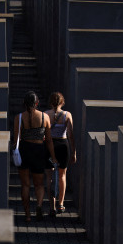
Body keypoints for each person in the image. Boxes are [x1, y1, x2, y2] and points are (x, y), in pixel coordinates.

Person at [13, 91, 57, 222]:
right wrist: (53, 157)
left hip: (25, 150)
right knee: (39, 184)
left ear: (24, 103)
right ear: (37, 103)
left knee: (25, 185)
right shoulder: (45, 117)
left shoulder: (19, 118)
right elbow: (49, 140)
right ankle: (38, 205)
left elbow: (16, 140)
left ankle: (27, 216)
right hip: (39, 151)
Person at [44, 92, 76, 215]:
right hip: (63, 146)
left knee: (49, 176)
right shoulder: (67, 115)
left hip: (49, 146)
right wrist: (74, 152)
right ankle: (61, 204)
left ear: (50, 102)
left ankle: (52, 206)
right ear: (62, 102)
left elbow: (44, 134)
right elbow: (70, 135)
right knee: (62, 175)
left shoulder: (45, 115)